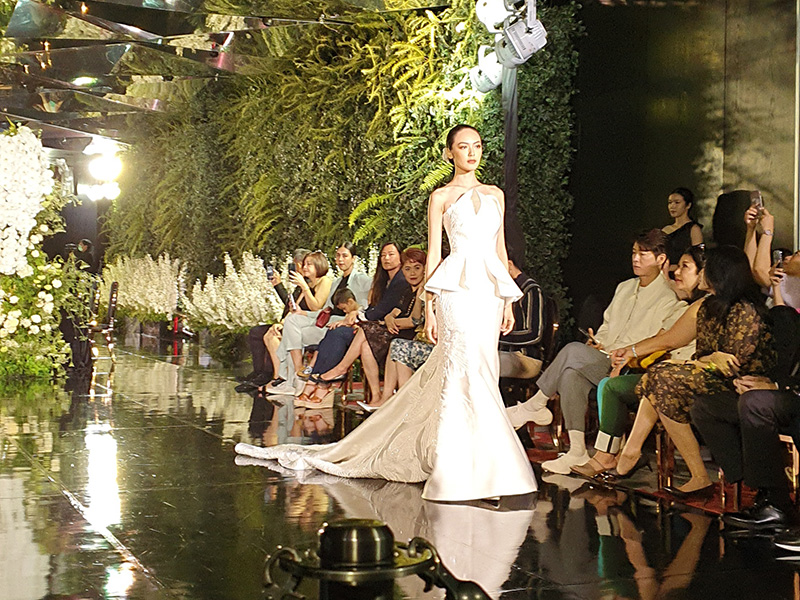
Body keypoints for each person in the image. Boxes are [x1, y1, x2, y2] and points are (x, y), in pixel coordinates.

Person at [235, 123, 538, 502]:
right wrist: (431, 306)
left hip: (488, 294)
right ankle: (456, 468)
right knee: (462, 370)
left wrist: (508, 300)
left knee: (485, 370)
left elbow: (500, 251)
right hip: (456, 292)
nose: (472, 152)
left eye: (477, 145)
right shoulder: (441, 196)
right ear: (450, 153)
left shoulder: (495, 195)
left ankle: (490, 466)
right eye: (463, 146)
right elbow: (433, 254)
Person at [507, 229, 687, 474]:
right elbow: (608, 326)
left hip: (629, 365)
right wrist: (598, 342)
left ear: (661, 259)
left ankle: (536, 404)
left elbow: (659, 342)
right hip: (605, 356)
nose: (636, 259)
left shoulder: (669, 298)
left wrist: (623, 354)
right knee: (571, 374)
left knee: (572, 351)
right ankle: (577, 451)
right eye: (634, 253)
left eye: (644, 254)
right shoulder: (625, 287)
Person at [608, 246, 776, 498]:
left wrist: (701, 362)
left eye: (705, 267)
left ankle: (633, 454)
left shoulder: (745, 310)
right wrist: (630, 351)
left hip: (742, 387)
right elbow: (671, 340)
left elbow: (731, 365)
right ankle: (695, 476)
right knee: (662, 382)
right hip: (711, 377)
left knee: (663, 377)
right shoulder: (706, 305)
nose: (702, 273)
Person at [571, 247, 706, 479]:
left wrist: (629, 354)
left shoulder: (699, 306)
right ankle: (609, 453)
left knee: (617, 383)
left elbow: (667, 341)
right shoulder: (685, 304)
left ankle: (625, 452)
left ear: (703, 273)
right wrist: (628, 355)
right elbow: (661, 342)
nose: (676, 272)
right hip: (662, 372)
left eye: (685, 267)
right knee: (602, 382)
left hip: (686, 376)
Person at [690, 305, 800, 529]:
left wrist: (776, 386)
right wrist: (748, 381)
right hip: (781, 391)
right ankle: (753, 484)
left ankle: (777, 505)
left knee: (754, 403)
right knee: (705, 407)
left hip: (792, 395)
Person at [286, 241, 413, 406]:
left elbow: (380, 309)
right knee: (337, 334)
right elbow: (372, 307)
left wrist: (356, 316)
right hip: (367, 326)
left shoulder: (398, 280)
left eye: (391, 254)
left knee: (338, 333)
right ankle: (373, 396)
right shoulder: (382, 281)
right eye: (383, 255)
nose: (386, 258)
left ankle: (325, 381)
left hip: (383, 329)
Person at [264, 243, 371, 395]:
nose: (341, 259)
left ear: (353, 258)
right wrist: (303, 313)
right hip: (327, 321)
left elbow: (369, 304)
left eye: (345, 256)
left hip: (342, 326)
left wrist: (355, 313)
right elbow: (324, 311)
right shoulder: (336, 283)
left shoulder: (362, 280)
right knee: (291, 320)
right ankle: (299, 371)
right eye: (338, 256)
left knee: (291, 335)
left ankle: (294, 381)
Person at [262, 251, 332, 387]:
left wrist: (304, 287)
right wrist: (281, 323)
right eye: (304, 264)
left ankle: (291, 375)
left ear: (318, 265)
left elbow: (316, 307)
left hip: (318, 324)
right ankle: (281, 376)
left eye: (308, 264)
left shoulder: (325, 281)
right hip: (301, 321)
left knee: (286, 333)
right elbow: (294, 309)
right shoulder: (308, 284)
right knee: (271, 333)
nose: (304, 267)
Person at [243, 248, 310, 384]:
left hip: (298, 326)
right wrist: (278, 285)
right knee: (256, 332)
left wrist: (283, 322)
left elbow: (300, 309)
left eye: (294, 266)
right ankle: (258, 372)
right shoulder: (300, 285)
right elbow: (289, 304)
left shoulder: (308, 285)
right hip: (288, 322)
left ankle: (269, 374)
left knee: (271, 333)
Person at [498, 247, 545, 379]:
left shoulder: (531, 290)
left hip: (525, 356)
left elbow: (534, 334)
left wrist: (497, 337)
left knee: (486, 364)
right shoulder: (499, 290)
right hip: (502, 353)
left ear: (509, 264)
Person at [744, 204, 800, 311]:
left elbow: (760, 271)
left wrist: (768, 231)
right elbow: (752, 268)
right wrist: (751, 229)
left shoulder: (795, 283)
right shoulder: (789, 279)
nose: (787, 258)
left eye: (796, 254)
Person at [661, 187, 703, 273]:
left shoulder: (693, 229)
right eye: (670, 203)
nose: (672, 206)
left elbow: (699, 258)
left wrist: (676, 267)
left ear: (688, 205)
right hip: (664, 273)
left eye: (677, 202)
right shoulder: (665, 229)